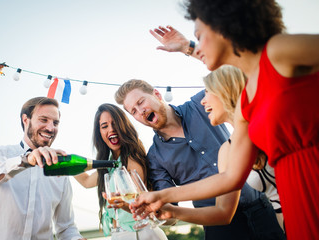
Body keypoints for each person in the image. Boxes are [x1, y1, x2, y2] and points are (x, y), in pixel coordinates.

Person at [132, 0, 319, 239]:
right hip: (298, 216)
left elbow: (231, 75)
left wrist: (187, 48)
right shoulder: (246, 107)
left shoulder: (277, 52)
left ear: (224, 29)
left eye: (199, 36)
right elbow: (229, 179)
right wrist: (161, 197)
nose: (198, 45)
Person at [115, 79, 284, 239]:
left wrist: (190, 49)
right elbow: (170, 214)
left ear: (157, 95)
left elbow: (229, 83)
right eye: (134, 112)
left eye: (141, 102)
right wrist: (152, 210)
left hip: (262, 209)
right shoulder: (155, 158)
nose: (140, 111)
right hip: (219, 226)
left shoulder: (201, 103)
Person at [153, 65, 285, 235]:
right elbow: (225, 184)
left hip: (282, 212)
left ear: (224, 90)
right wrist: (163, 202)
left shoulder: (266, 124)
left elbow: (248, 68)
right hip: (282, 223)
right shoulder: (228, 149)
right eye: (132, 110)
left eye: (207, 91)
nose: (202, 100)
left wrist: (189, 49)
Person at [0, 97, 86, 240]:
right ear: (25, 120)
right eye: (43, 119)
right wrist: (25, 161)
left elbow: (66, 228)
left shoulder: (60, 173)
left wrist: (76, 238)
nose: (50, 128)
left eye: (55, 123)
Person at [73, 103, 167, 240]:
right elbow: (87, 182)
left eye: (115, 124)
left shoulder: (131, 159)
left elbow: (141, 204)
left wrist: (123, 205)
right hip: (121, 234)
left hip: (140, 233)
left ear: (124, 126)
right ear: (99, 133)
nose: (111, 129)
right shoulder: (111, 162)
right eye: (104, 126)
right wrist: (63, 165)